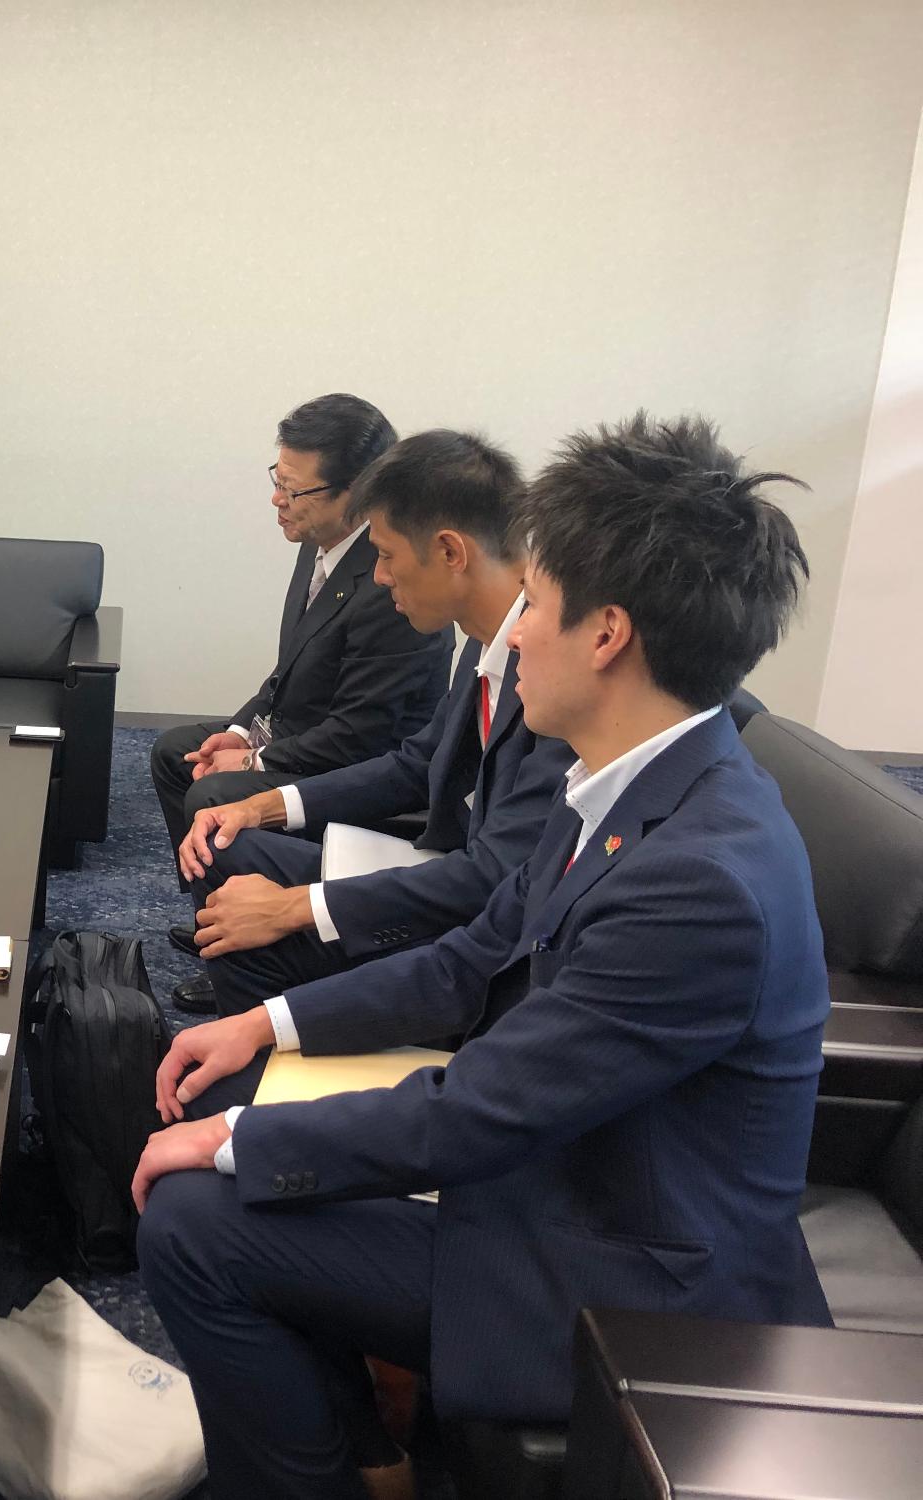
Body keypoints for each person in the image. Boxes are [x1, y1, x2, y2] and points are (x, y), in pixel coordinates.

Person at [131, 413, 829, 1499]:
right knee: (240, 1110)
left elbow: (480, 1111)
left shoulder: (700, 881)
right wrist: (261, 1026)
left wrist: (238, 1138)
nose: (514, 633)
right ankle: (364, 1460)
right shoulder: (635, 781)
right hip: (559, 1177)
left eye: (537, 607)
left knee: (196, 1220)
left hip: (620, 1271)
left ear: (605, 634)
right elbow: (475, 954)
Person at [168, 430, 574, 1014]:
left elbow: (497, 876)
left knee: (249, 937)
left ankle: (267, 1067)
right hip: (445, 866)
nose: (379, 578)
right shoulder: (484, 642)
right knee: (229, 841)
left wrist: (295, 906)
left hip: (478, 931)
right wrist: (264, 804)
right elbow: (417, 763)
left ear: (450, 552)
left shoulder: (551, 675)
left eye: (385, 555)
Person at [152, 394, 452, 954]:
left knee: (216, 795)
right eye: (278, 480)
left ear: (357, 494)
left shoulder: (393, 585)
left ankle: (254, 947)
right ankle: (216, 918)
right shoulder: (318, 541)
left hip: (362, 767)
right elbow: (286, 670)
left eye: (294, 490)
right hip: (301, 734)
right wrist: (240, 733)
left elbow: (361, 737)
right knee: (175, 753)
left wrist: (255, 762)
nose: (277, 499)